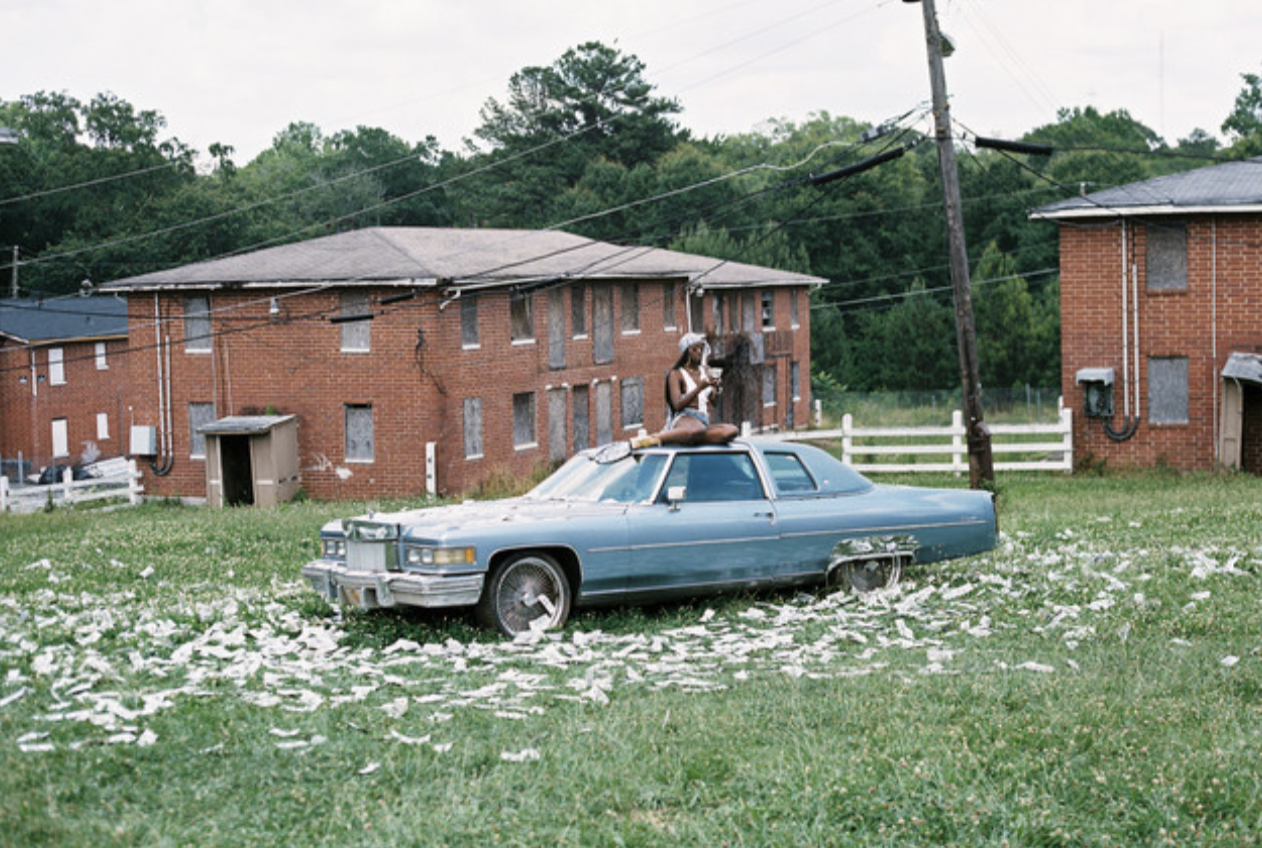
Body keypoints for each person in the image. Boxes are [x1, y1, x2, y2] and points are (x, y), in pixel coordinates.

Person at [630, 332, 738, 448]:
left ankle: (690, 438)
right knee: (696, 430)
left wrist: (716, 389)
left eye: (701, 348)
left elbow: (714, 402)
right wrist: (700, 388)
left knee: (731, 430)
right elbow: (677, 405)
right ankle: (653, 438)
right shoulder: (676, 374)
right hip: (685, 417)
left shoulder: (705, 371)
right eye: (695, 349)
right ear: (686, 352)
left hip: (703, 420)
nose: (699, 352)